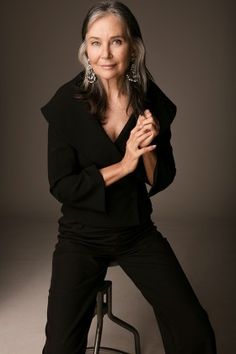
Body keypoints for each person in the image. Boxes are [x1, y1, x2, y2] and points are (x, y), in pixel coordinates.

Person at [40, 1, 217, 353]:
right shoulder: (65, 104)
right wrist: (124, 163)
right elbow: (62, 186)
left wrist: (148, 147)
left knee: (193, 328)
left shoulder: (150, 101)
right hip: (81, 236)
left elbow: (161, 177)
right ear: (85, 50)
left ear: (133, 47)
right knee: (60, 345)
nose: (104, 54)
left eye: (116, 42)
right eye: (95, 42)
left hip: (135, 232)